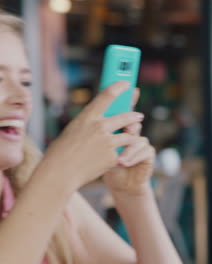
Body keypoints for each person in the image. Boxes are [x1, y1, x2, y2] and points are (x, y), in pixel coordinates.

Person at [0, 11, 181, 264]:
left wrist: (133, 197)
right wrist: (61, 171)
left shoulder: (31, 184)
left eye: (26, 81)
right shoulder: (48, 185)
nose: (22, 98)